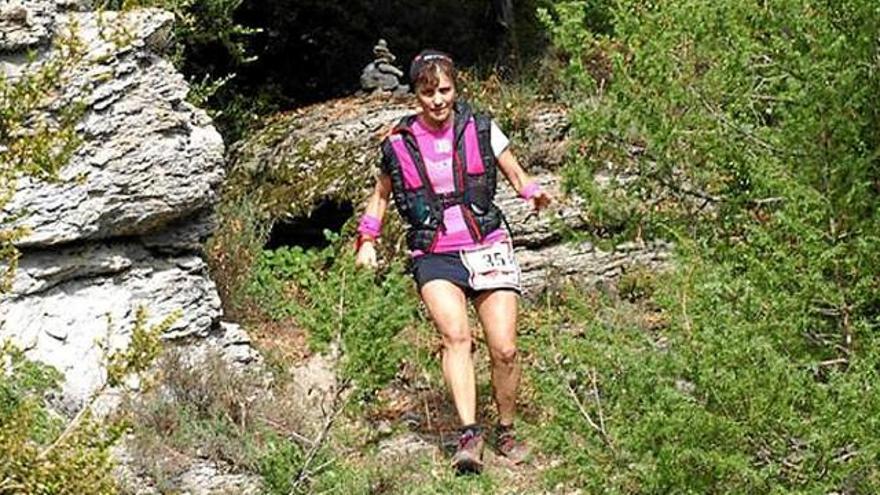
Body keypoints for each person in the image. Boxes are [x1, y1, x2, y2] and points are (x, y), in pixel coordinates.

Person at [354, 49, 551, 474]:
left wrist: (532, 192)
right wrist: (366, 240)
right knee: (456, 338)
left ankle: (507, 429)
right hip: (434, 251)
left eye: (444, 90)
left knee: (505, 348)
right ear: (416, 94)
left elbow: (516, 174)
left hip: (488, 244)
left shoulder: (481, 127)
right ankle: (469, 435)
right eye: (428, 92)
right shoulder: (398, 142)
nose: (438, 100)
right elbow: (381, 196)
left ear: (455, 88)